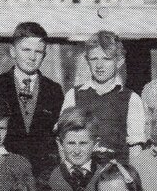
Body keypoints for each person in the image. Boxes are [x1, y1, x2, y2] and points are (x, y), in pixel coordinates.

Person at [0, 22, 64, 177]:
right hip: (3, 170)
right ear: (13, 51)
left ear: (44, 55)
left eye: (38, 51)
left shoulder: (54, 90)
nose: (32, 57)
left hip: (42, 175)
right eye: (26, 50)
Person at [61, 30, 147, 163]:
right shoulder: (73, 95)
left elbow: (135, 149)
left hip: (116, 174)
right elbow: (63, 140)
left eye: (106, 59)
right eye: (94, 59)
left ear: (119, 61)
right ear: (87, 60)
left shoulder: (131, 98)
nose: (99, 65)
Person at [47, 108, 105, 191]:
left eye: (83, 143)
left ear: (95, 144)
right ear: (60, 144)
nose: (77, 150)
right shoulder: (51, 178)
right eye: (71, 143)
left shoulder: (104, 176)